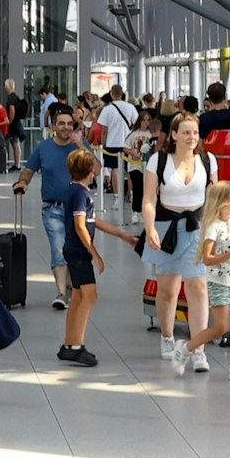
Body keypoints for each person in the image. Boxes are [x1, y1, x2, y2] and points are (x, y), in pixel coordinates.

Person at [143, 111, 216, 373]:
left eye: (195, 132)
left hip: (196, 228)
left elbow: (214, 199)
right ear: (173, 135)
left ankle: (198, 349)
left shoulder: (207, 160)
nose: (191, 137)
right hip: (166, 228)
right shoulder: (158, 160)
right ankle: (167, 335)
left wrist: (217, 230)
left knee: (198, 287)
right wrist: (150, 228)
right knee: (168, 289)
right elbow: (149, 199)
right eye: (185, 132)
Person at [59, 148, 134, 368]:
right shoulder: (81, 194)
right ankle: (76, 346)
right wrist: (95, 254)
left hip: (73, 251)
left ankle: (68, 343)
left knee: (80, 296)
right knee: (90, 296)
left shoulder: (76, 190)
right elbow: (81, 226)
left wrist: (121, 235)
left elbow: (93, 221)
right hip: (79, 252)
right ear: (90, 169)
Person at [179, 180, 230, 382]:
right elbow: (207, 258)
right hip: (220, 282)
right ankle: (187, 348)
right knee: (220, 327)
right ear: (221, 203)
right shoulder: (213, 228)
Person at [12, 107, 87, 310]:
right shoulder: (43, 148)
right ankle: (62, 293)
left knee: (75, 250)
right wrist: (23, 183)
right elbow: (29, 170)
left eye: (70, 124)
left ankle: (72, 287)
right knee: (59, 248)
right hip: (52, 208)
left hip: (78, 209)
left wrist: (82, 147)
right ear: (54, 126)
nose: (66, 127)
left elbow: (96, 169)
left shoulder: (79, 146)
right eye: (61, 123)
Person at [95, 85, 136, 194]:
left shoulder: (107, 109)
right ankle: (130, 193)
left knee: (115, 169)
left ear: (111, 94)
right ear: (122, 94)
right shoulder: (130, 107)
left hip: (112, 143)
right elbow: (136, 124)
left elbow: (104, 130)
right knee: (130, 169)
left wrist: (103, 144)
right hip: (128, 143)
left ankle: (117, 196)